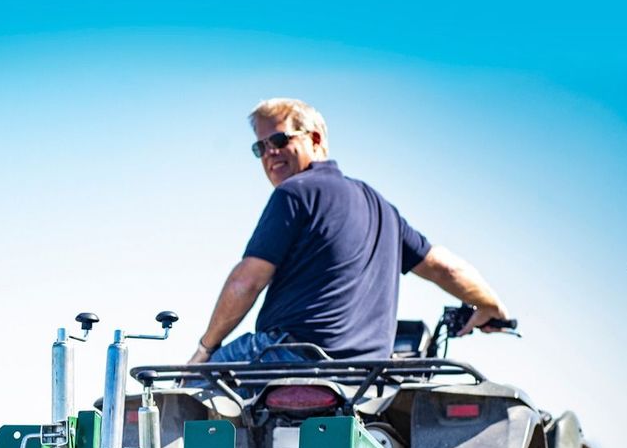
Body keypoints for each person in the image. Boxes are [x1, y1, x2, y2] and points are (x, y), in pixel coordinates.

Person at [188, 98, 510, 366]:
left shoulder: (296, 193)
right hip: (365, 376)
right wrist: (491, 307)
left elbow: (246, 281)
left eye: (280, 140)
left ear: (315, 139)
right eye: (260, 147)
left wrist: (204, 350)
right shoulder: (381, 208)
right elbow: (444, 267)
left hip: (290, 354)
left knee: (187, 397)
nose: (270, 152)